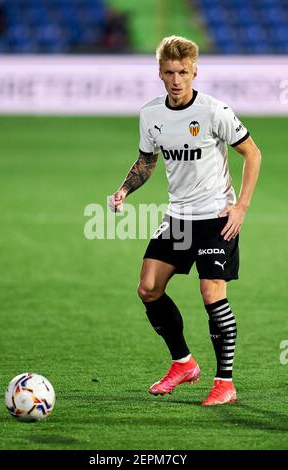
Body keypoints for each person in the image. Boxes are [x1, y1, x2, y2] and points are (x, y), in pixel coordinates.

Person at [109, 36, 261, 405]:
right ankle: (183, 363)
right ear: (159, 73)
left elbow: (252, 154)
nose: (176, 80)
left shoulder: (214, 111)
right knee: (148, 288)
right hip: (179, 217)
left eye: (183, 72)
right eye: (169, 72)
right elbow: (147, 161)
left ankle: (224, 382)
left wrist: (240, 206)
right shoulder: (151, 114)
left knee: (211, 292)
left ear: (195, 71)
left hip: (216, 216)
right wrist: (125, 190)